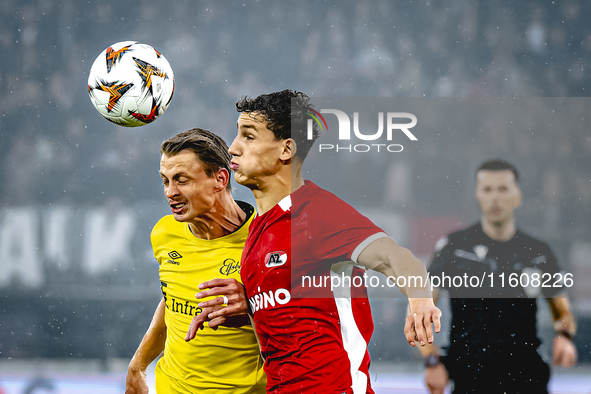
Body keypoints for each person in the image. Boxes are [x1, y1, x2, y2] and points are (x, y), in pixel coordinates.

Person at [188, 90, 441, 394]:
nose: (233, 148)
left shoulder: (317, 212)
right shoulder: (257, 228)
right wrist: (248, 308)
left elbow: (395, 257)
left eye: (249, 136)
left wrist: (420, 299)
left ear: (286, 149)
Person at [125, 128, 266, 393]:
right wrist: (138, 364)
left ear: (220, 179)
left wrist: (252, 306)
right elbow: (173, 299)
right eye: (165, 180)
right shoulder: (165, 232)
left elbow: (296, 337)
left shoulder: (266, 243)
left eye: (181, 180)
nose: (170, 192)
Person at [419, 160, 577, 394]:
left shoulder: (538, 251)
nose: (495, 197)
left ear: (517, 196)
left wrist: (563, 335)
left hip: (526, 377)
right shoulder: (453, 247)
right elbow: (420, 309)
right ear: (477, 195)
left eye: (503, 189)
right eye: (488, 189)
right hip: (469, 375)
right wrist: (432, 361)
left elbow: (560, 307)